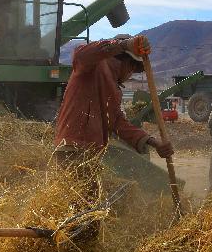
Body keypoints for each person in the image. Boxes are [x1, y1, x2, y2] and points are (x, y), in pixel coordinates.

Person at [53, 34, 174, 199]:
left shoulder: (114, 89)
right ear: (127, 64)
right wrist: (124, 45)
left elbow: (117, 122)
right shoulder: (93, 65)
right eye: (132, 69)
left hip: (89, 154)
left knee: (93, 207)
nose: (130, 75)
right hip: (73, 150)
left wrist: (153, 142)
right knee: (83, 208)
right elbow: (81, 54)